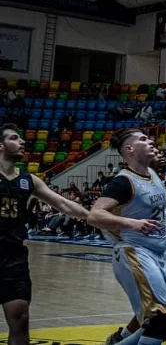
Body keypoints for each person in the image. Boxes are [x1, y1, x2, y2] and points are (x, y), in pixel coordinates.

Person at [87, 129, 166, 345]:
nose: (151, 141)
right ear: (129, 149)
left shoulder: (152, 175)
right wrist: (131, 223)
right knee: (159, 317)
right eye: (143, 139)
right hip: (135, 252)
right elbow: (94, 215)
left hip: (159, 250)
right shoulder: (122, 182)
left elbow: (151, 214)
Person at [1, 123, 90, 345]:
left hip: (14, 258)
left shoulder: (29, 180)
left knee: (20, 318)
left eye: (21, 138)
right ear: (0, 146)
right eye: (14, 138)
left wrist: (96, 218)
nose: (21, 141)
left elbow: (63, 204)